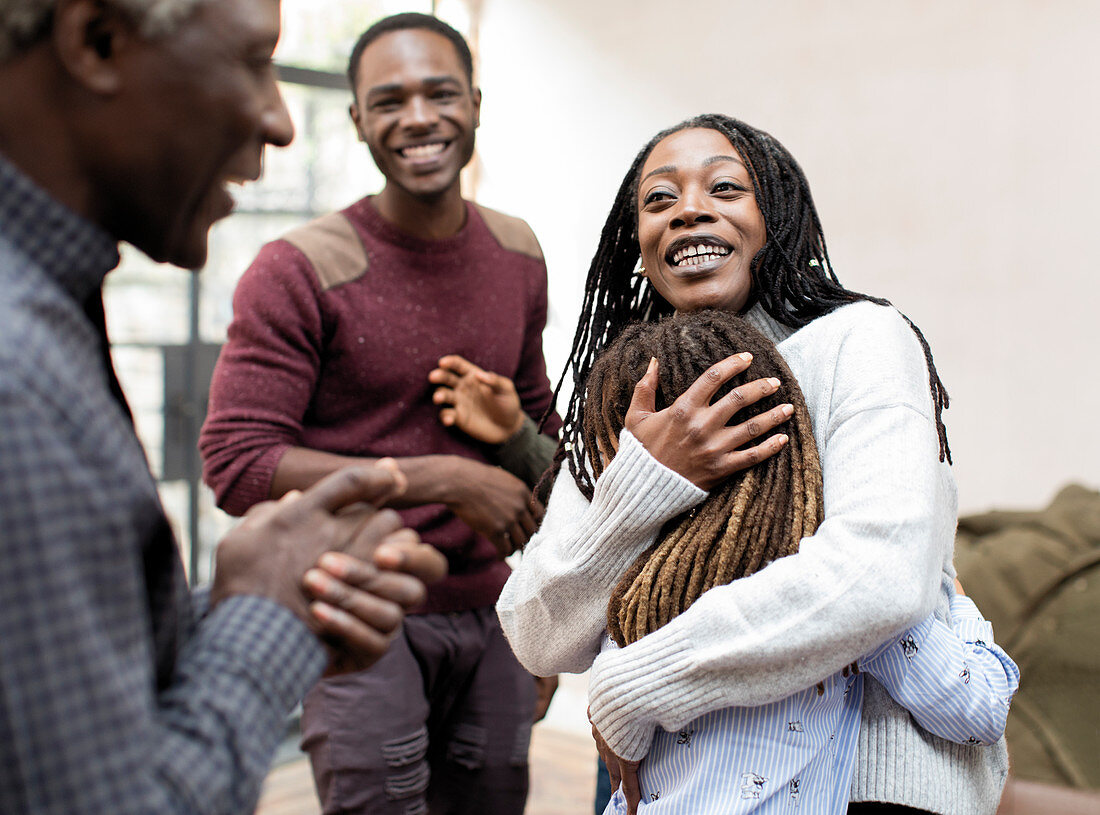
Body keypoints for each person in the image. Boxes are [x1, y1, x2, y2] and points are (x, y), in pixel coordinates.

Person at [0, 1, 448, 813]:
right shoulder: (18, 376)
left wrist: (246, 609)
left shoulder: (51, 306)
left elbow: (49, 691)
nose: (280, 121)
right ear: (96, 40)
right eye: (251, 61)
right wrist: (267, 625)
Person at [496, 115, 1011, 814]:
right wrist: (643, 484)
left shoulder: (860, 340)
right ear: (639, 249)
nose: (690, 209)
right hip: (678, 777)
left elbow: (879, 575)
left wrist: (632, 684)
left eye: (726, 187)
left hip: (871, 785)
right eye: (658, 199)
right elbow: (535, 630)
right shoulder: (625, 389)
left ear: (776, 217)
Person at [199, 12, 560, 815]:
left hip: (498, 612)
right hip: (365, 610)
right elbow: (236, 462)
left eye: (440, 93)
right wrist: (440, 477)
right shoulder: (300, 268)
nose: (420, 118)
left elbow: (540, 432)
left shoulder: (518, 252)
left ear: (474, 102)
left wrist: (548, 614)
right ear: (358, 119)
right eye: (389, 101)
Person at [583, 309, 1019, 813]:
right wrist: (952, 591)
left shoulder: (640, 590)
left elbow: (619, 742)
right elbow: (977, 710)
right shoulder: (838, 598)